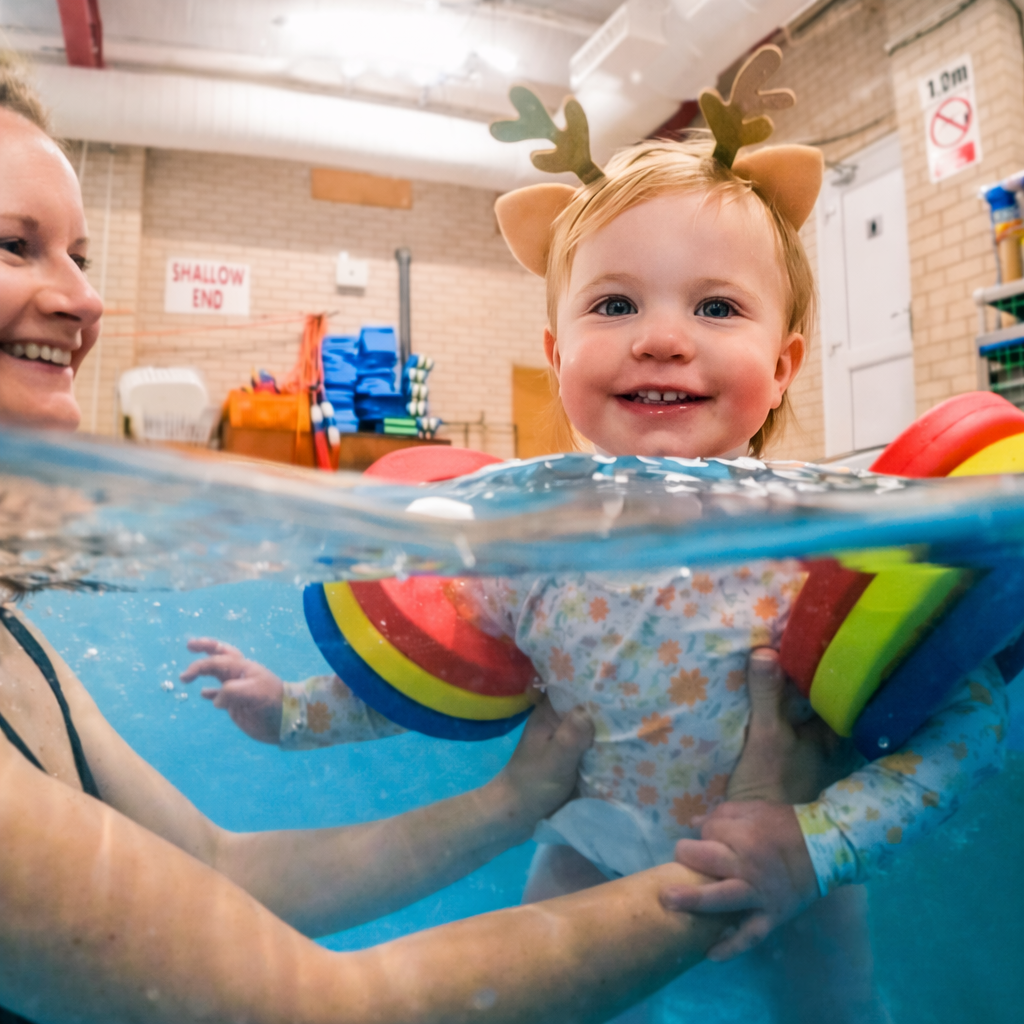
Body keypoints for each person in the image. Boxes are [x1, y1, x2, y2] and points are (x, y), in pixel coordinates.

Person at [187, 84, 1009, 1022]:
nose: (660, 338)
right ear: (556, 350)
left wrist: (816, 846)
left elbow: (968, 724)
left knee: (837, 1007)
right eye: (615, 303)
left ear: (783, 365)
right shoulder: (526, 535)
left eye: (716, 307)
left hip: (787, 858)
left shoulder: (825, 545)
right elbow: (444, 680)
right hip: (586, 847)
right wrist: (293, 710)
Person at [0, 54, 753, 1024]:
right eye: (15, 245)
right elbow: (325, 1007)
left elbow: (225, 869)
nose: (85, 298)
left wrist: (512, 800)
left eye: (81, 256)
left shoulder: (19, 642)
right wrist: (770, 856)